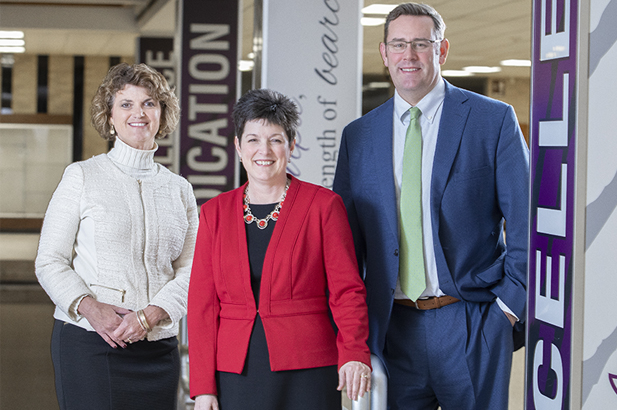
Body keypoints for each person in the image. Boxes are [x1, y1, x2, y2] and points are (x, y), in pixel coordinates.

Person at [333, 2, 530, 409]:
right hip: (391, 327)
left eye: (421, 44)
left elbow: (528, 220)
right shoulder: (359, 137)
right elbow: (345, 245)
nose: (409, 55)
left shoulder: (491, 120)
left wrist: (508, 309)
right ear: (384, 54)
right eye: (399, 44)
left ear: (441, 51)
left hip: (471, 320)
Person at [187, 88, 371, 410]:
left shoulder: (324, 206)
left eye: (275, 139)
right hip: (235, 371)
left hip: (309, 367)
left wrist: (354, 351)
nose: (264, 150)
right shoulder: (213, 213)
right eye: (253, 139)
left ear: (292, 145)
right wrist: (203, 387)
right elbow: (202, 306)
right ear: (238, 147)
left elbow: (347, 290)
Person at [35, 62, 198, 409]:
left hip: (159, 344)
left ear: (162, 113)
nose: (138, 113)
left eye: (149, 103)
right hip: (90, 341)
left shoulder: (179, 189)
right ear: (110, 117)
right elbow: (50, 260)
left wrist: (152, 314)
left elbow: (193, 269)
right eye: (126, 104)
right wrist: (89, 308)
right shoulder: (81, 176)